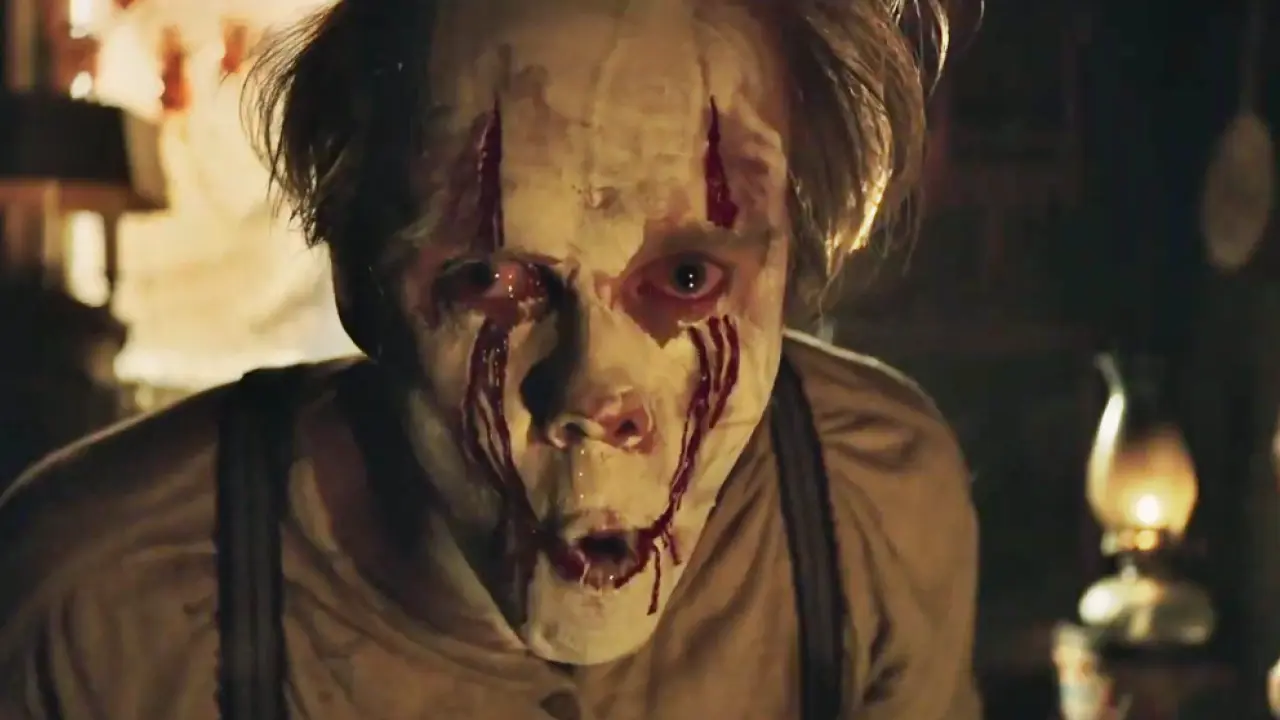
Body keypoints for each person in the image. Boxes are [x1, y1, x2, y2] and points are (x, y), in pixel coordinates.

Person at [0, 0, 980, 717]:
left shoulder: (866, 511)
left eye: (686, 277)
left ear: (789, 265)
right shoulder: (108, 607)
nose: (593, 391)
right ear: (357, 282)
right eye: (493, 278)